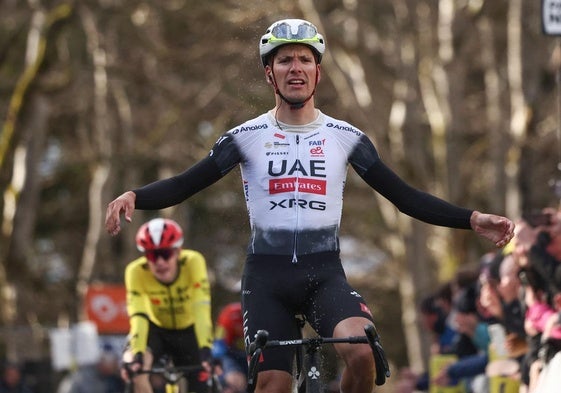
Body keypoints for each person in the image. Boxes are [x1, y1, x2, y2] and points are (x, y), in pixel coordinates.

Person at [105, 18, 515, 393]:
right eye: (285, 60)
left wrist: (472, 218)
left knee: (362, 353)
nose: (296, 67)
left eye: (305, 59)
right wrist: (134, 196)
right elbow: (184, 183)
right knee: (273, 385)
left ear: (318, 72)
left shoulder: (345, 136)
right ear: (270, 74)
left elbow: (404, 197)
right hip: (266, 278)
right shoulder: (245, 136)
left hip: (324, 275)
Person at [121, 218, 213, 393]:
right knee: (133, 365)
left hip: (190, 330)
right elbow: (138, 315)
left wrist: (206, 348)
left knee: (204, 382)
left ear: (178, 251)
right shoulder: (135, 271)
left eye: (165, 254)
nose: (160, 262)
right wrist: (138, 354)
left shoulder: (194, 261)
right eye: (152, 256)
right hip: (156, 329)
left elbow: (201, 308)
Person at [211, 302, 247, 393]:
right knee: (234, 381)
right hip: (230, 354)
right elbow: (219, 345)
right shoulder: (229, 314)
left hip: (250, 354)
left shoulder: (257, 314)